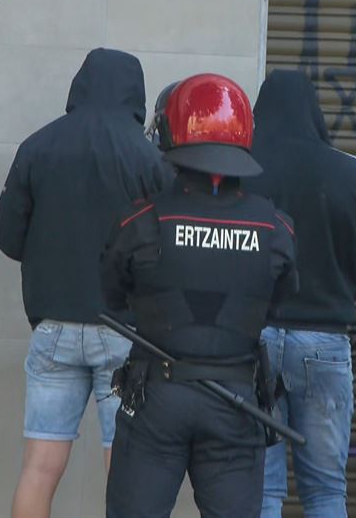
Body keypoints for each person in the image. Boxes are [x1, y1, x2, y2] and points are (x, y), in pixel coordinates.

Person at [101, 73, 299, 518]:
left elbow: (112, 294)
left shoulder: (141, 220)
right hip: (235, 400)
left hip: (157, 399)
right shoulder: (276, 228)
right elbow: (281, 301)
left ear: (170, 135)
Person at [0, 48, 170, 518]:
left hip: (52, 327)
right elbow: (165, 254)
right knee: (126, 472)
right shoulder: (148, 157)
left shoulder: (37, 146)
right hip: (126, 334)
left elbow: (9, 239)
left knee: (39, 469)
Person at [243, 70, 356, 518]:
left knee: (263, 490)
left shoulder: (239, 171)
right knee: (327, 490)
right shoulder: (353, 173)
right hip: (325, 343)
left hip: (253, 344)